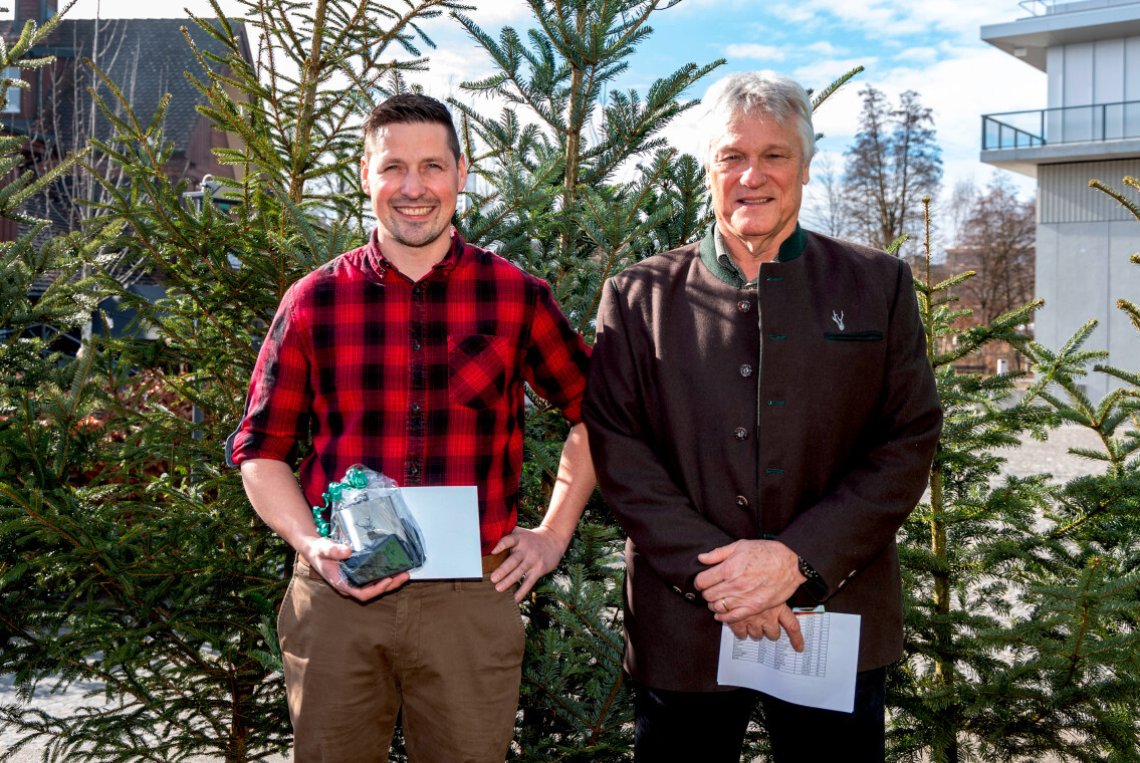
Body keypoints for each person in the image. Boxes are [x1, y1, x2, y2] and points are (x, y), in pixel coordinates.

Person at [582, 71, 942, 762]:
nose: (753, 175)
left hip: (832, 622)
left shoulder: (878, 284)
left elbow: (908, 437)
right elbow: (619, 446)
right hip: (684, 627)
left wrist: (797, 560)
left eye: (774, 155)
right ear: (708, 169)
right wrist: (721, 575)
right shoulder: (637, 296)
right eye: (731, 157)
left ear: (804, 165)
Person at [227, 93, 595, 763]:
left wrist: (552, 534)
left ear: (461, 171)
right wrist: (308, 543)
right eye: (393, 166)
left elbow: (597, 412)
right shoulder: (314, 301)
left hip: (470, 597)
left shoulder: (515, 294)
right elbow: (260, 450)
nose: (414, 187)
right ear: (365, 175)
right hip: (340, 592)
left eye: (432, 166)